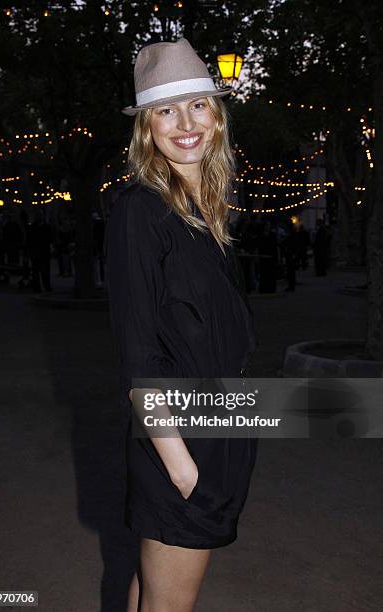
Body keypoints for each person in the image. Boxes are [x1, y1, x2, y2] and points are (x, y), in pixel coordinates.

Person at [106, 38, 257, 612]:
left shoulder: (207, 209)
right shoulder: (140, 211)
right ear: (147, 128)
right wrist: (184, 468)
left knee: (152, 591)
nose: (185, 123)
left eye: (198, 104)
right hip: (180, 436)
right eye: (167, 110)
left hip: (219, 424)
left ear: (217, 116)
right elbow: (138, 355)